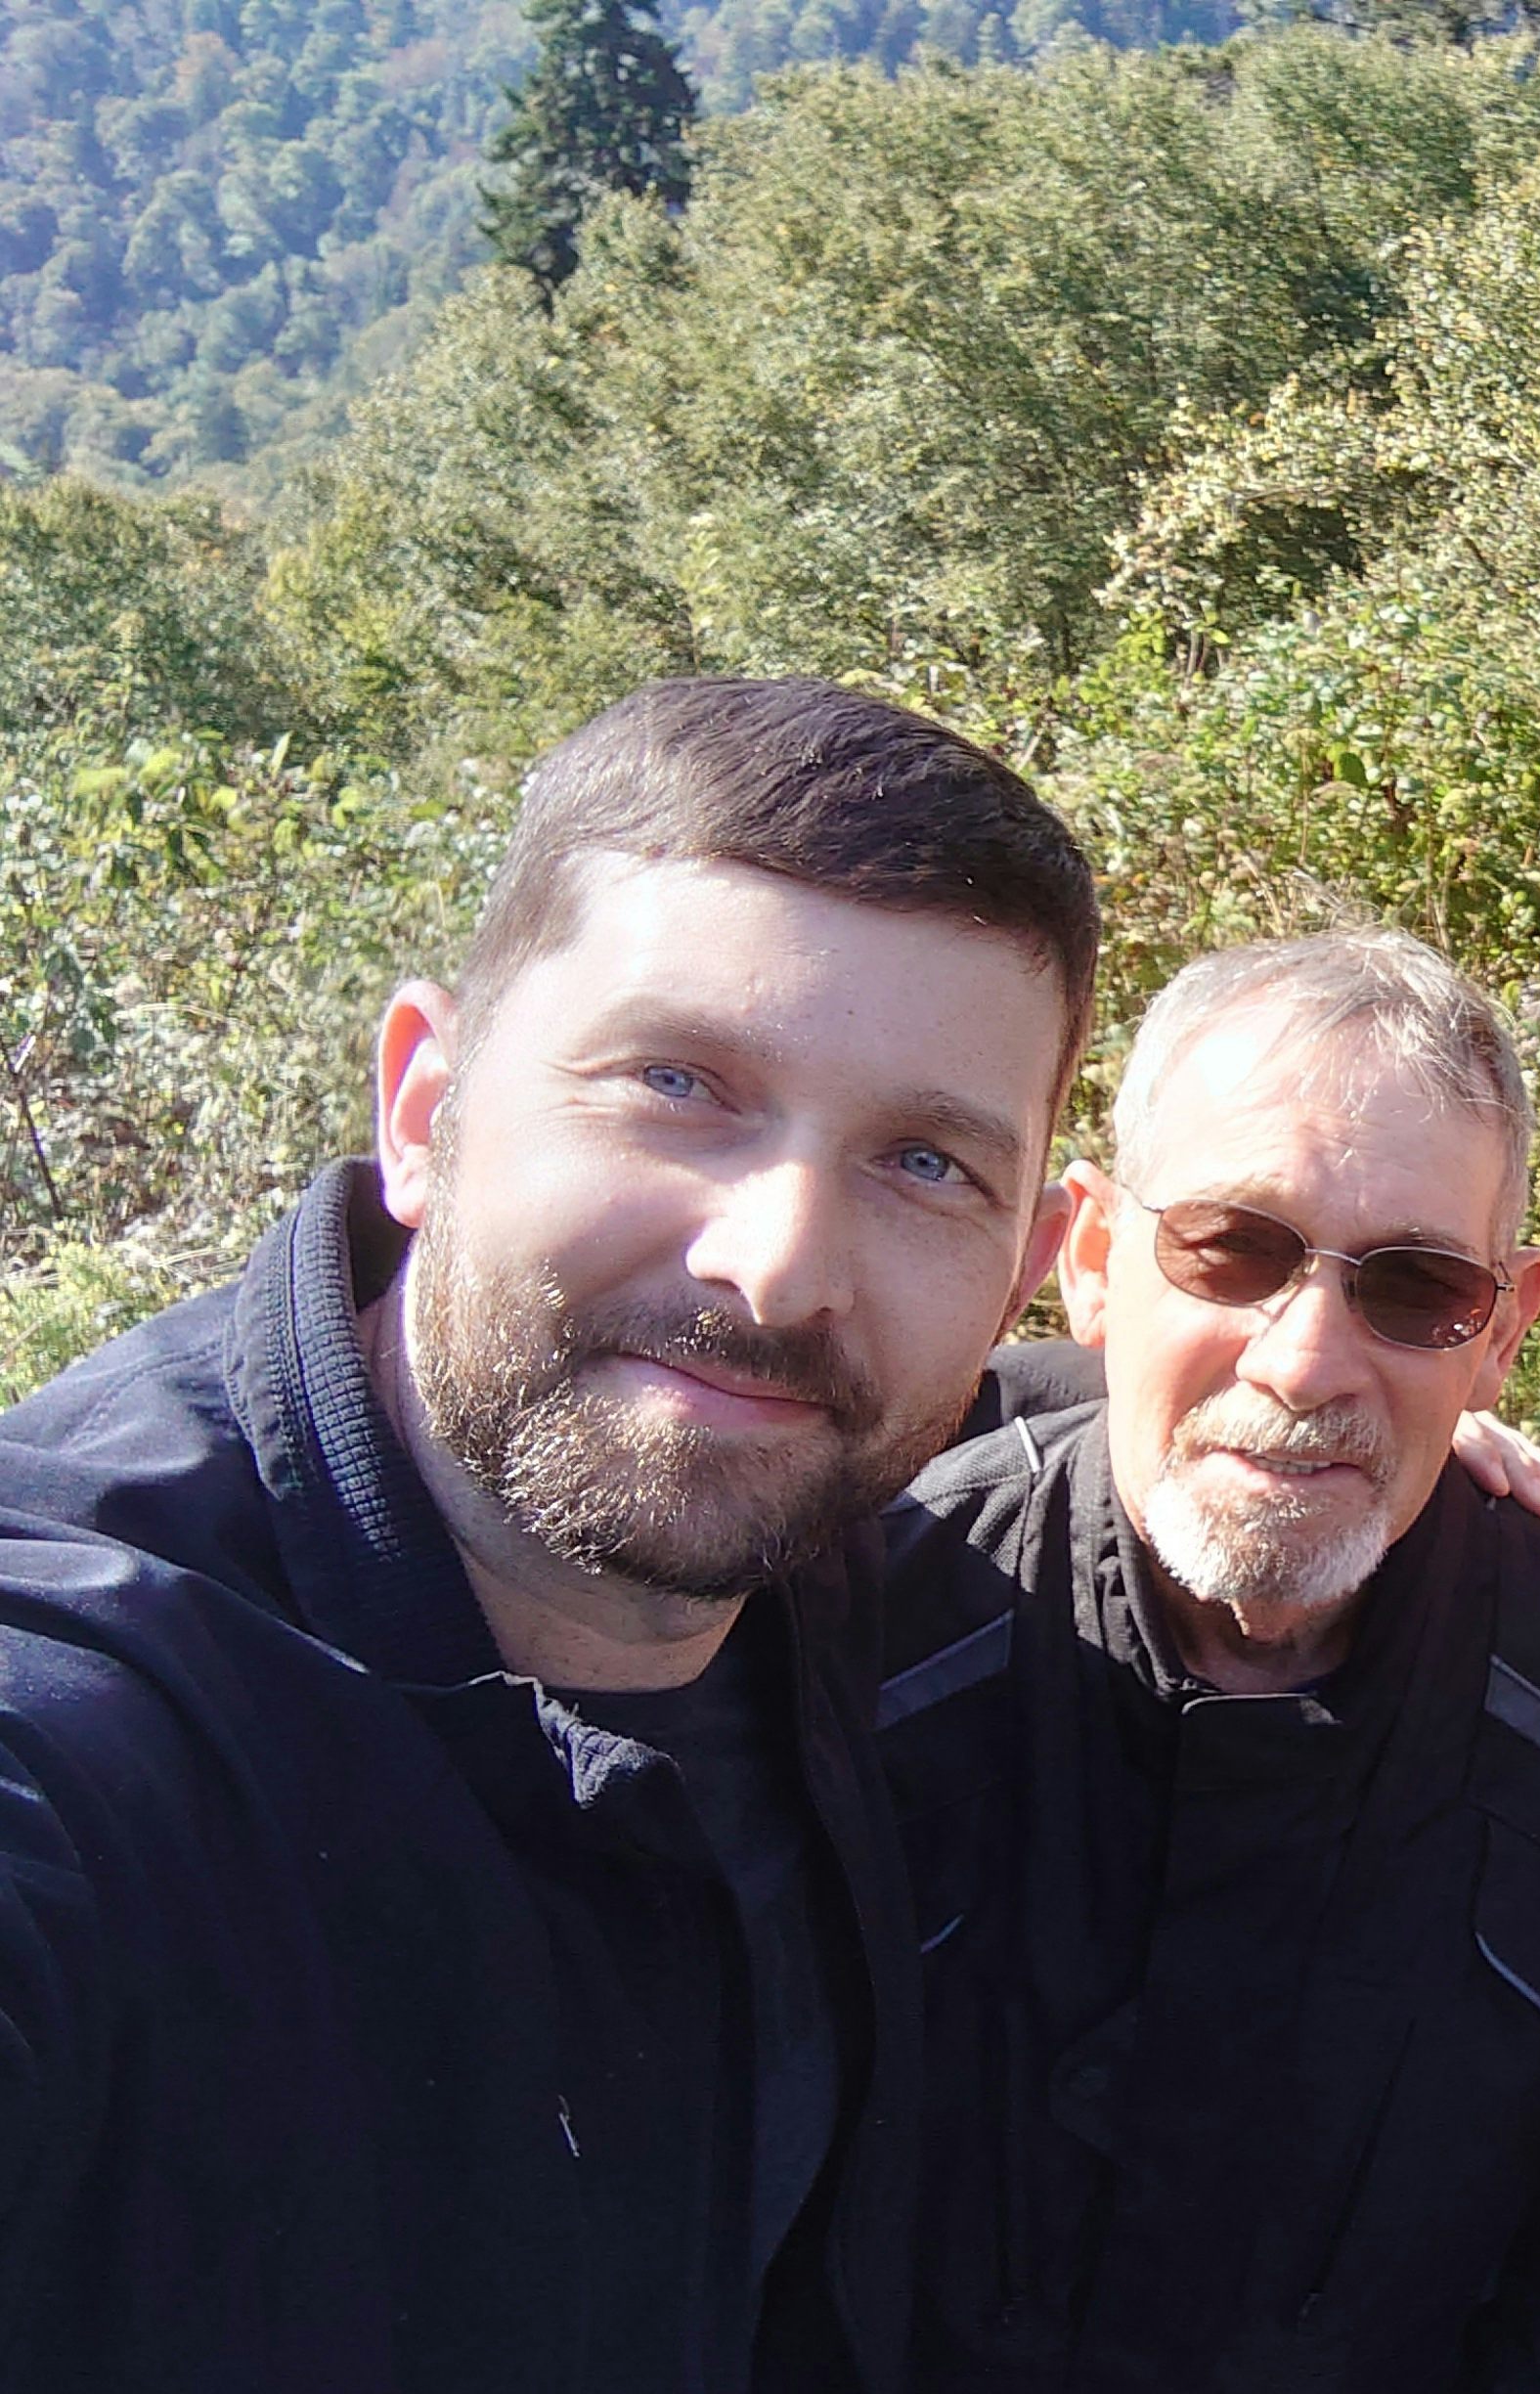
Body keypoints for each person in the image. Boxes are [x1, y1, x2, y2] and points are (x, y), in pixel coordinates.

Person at [0, 676, 1100, 2393]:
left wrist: (1367, 1429)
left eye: (922, 1164)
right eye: (678, 1080)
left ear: (1023, 1264)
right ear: (422, 1105)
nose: (778, 1261)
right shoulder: (92, 1717)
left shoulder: (816, 1526)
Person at [877, 927, 1540, 2394]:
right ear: (1099, 1258)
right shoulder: (858, 1623)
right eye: (1232, 1249)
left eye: (1416, 1288)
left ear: (1498, 1336)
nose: (1304, 1360)